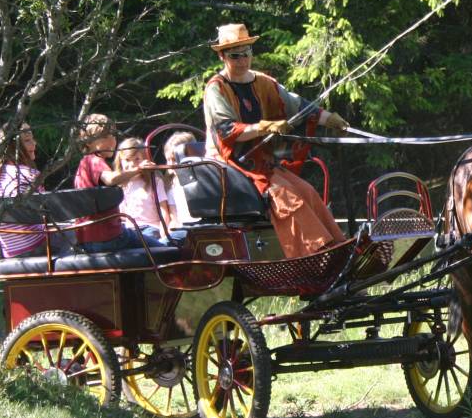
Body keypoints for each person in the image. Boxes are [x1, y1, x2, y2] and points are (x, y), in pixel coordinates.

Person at [202, 23, 349, 258]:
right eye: (235, 55)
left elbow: (298, 106)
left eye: (246, 53)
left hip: (261, 159)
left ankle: (338, 251)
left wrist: (329, 118)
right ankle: (313, 258)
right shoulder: (216, 89)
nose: (242, 60)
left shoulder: (263, 82)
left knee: (306, 190)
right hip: (229, 163)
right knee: (285, 196)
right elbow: (226, 130)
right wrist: (266, 126)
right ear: (222, 56)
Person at [0, 123, 67, 258]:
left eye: (32, 139)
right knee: (74, 232)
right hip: (37, 246)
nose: (34, 143)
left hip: (9, 251)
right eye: (27, 140)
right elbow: (46, 215)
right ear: (12, 147)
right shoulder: (31, 175)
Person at [73, 114, 146, 252]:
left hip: (87, 239)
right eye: (106, 137)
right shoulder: (94, 160)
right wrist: (139, 170)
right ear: (88, 142)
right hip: (108, 237)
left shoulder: (84, 164)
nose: (112, 141)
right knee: (163, 248)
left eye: (113, 135)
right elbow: (111, 179)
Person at [115, 137, 187, 247]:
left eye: (137, 159)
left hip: (150, 227)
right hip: (130, 229)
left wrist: (164, 230)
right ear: (120, 161)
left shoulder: (154, 182)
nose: (132, 164)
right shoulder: (121, 185)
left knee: (144, 244)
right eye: (127, 160)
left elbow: (163, 210)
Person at [162, 130, 199, 226]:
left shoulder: (200, 180)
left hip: (200, 224)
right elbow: (174, 216)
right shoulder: (171, 183)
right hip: (183, 227)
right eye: (168, 160)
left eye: (174, 160)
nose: (170, 164)